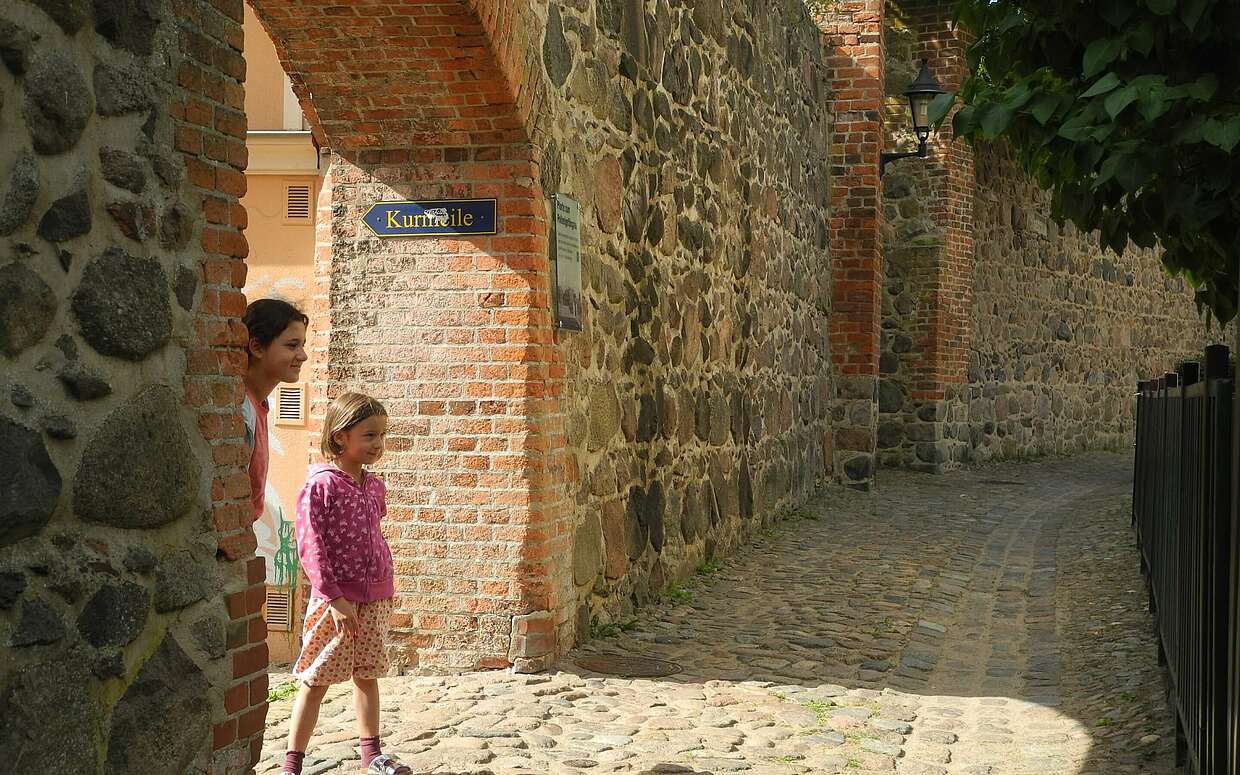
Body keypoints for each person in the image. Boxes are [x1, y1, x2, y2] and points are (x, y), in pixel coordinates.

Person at [281, 393, 408, 775]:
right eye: (369, 435)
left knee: (367, 675)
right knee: (315, 678)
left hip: (376, 597)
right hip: (335, 603)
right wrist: (334, 597)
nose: (378, 444)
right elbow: (311, 546)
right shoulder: (321, 486)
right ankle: (291, 765)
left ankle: (373, 755)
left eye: (382, 436)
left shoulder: (374, 487)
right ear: (340, 438)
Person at [241, 298, 309, 521]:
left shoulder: (257, 404)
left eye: (302, 345)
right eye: (292, 345)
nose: (302, 355)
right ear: (257, 347)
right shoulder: (241, 409)